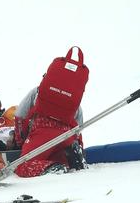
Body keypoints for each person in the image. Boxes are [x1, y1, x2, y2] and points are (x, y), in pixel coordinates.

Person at [13, 47, 89, 177]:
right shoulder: (73, 101)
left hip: (42, 132)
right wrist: (77, 144)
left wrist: (21, 142)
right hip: (67, 135)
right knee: (57, 156)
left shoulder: (37, 92)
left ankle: (54, 168)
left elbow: (20, 116)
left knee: (22, 166)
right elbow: (78, 127)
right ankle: (70, 157)